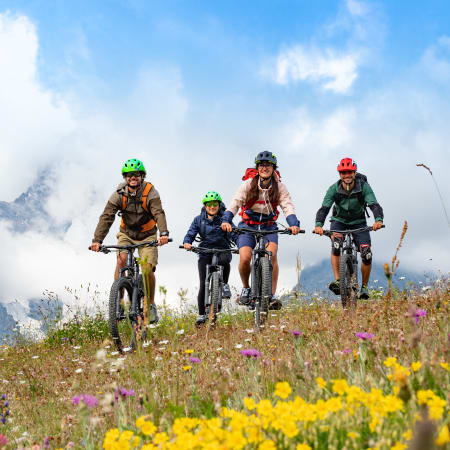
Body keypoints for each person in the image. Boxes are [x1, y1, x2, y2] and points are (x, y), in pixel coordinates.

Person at [90, 158, 169, 323]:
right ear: (125, 178)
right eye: (129, 175)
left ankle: (150, 303)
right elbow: (107, 217)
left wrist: (163, 233)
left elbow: (158, 213)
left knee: (147, 268)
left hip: (147, 235)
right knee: (121, 261)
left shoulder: (151, 192)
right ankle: (117, 303)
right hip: (126, 234)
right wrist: (97, 240)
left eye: (136, 175)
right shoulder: (119, 195)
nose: (133, 178)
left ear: (142, 176)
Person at [221, 151, 300, 309]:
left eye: (268, 165)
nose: (265, 168)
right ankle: (245, 289)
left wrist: (293, 223)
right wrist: (226, 220)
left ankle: (271, 295)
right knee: (244, 258)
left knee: (272, 255)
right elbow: (235, 203)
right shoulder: (248, 184)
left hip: (268, 225)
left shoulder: (279, 187)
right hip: (248, 225)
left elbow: (287, 205)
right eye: (262, 165)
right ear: (257, 168)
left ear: (273, 168)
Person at [314, 157, 384, 299]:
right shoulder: (334, 188)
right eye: (344, 172)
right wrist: (318, 225)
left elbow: (373, 204)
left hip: (359, 222)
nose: (347, 175)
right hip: (339, 221)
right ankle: (339, 280)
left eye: (350, 172)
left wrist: (378, 220)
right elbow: (324, 208)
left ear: (354, 172)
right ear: (340, 174)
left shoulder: (363, 186)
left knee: (366, 254)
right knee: (336, 245)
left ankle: (364, 287)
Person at [183, 191, 236, 326]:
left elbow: (233, 232)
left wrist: (239, 243)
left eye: (215, 204)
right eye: (209, 204)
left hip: (222, 248)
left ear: (219, 205)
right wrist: (187, 242)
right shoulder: (198, 219)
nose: (212, 207)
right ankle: (201, 315)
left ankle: (224, 284)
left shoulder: (225, 218)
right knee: (203, 283)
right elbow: (191, 232)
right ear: (205, 206)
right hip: (205, 250)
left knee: (224, 260)